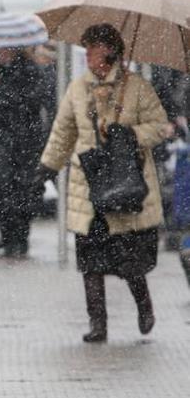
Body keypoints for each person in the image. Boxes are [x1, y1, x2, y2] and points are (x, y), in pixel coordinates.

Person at [36, 24, 169, 343]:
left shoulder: (136, 88)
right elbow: (63, 132)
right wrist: (46, 167)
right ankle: (98, 324)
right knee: (90, 262)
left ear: (111, 53)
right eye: (87, 51)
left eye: (94, 50)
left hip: (126, 185)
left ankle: (144, 305)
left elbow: (160, 127)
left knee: (129, 262)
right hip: (89, 188)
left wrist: (131, 135)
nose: (90, 58)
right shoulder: (77, 89)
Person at [0, 46, 54, 256]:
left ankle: (20, 237)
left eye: (5, 48)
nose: (1, 52)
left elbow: (30, 100)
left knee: (23, 189)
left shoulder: (30, 70)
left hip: (25, 140)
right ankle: (8, 234)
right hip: (2, 137)